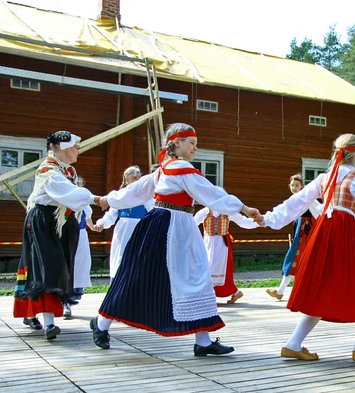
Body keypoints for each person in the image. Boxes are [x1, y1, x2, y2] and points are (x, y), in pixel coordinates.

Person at [91, 123, 262, 356]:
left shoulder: (167, 169)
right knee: (183, 277)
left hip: (174, 227)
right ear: (176, 142)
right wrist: (244, 207)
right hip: (170, 228)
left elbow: (136, 192)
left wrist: (109, 199)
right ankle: (101, 323)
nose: (195, 148)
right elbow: (211, 193)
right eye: (191, 143)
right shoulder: (178, 169)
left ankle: (202, 340)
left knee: (159, 277)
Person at [262, 133, 355, 361]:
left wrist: (269, 218)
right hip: (344, 232)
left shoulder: (324, 178)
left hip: (324, 231)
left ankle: (293, 343)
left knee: (321, 287)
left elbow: (295, 203)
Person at [14, 131, 103, 340]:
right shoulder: (48, 170)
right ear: (63, 147)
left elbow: (73, 197)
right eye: (75, 146)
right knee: (48, 267)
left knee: (59, 267)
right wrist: (97, 199)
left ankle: (34, 313)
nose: (78, 150)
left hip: (61, 222)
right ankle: (49, 323)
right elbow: (68, 193)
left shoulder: (68, 171)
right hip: (45, 221)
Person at [94, 166, 155, 283]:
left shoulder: (146, 197)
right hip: (123, 231)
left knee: (139, 257)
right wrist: (102, 223)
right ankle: (118, 283)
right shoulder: (119, 196)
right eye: (134, 178)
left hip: (140, 229)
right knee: (121, 256)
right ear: (126, 180)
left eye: (139, 178)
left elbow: (153, 212)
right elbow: (111, 215)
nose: (137, 181)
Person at [266, 174, 320, 301]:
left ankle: (287, 291)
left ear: (302, 186)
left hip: (307, 233)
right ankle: (281, 290)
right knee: (294, 260)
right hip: (300, 233)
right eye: (292, 185)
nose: (294, 188)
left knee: (299, 259)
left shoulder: (307, 197)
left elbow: (319, 212)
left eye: (297, 185)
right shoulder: (293, 199)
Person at [194, 206, 258, 304]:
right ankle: (235, 292)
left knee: (215, 268)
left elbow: (243, 221)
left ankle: (208, 296)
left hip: (221, 244)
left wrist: (260, 221)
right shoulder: (205, 211)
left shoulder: (227, 211)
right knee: (206, 268)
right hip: (208, 243)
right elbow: (192, 224)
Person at [63, 176, 97, 320]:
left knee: (80, 264)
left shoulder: (84, 205)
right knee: (66, 264)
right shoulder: (65, 201)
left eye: (81, 185)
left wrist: (97, 227)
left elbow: (88, 220)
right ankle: (64, 298)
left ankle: (73, 293)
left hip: (81, 235)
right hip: (67, 235)